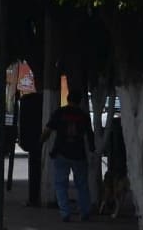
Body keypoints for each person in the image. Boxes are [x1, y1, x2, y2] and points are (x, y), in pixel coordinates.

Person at [41, 90, 94, 222]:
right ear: (80, 101)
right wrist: (92, 150)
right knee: (82, 184)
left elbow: (47, 131)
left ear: (67, 99)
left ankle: (65, 213)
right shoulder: (84, 116)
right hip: (79, 154)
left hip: (61, 153)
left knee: (60, 184)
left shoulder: (60, 113)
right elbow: (90, 136)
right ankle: (84, 211)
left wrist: (40, 142)